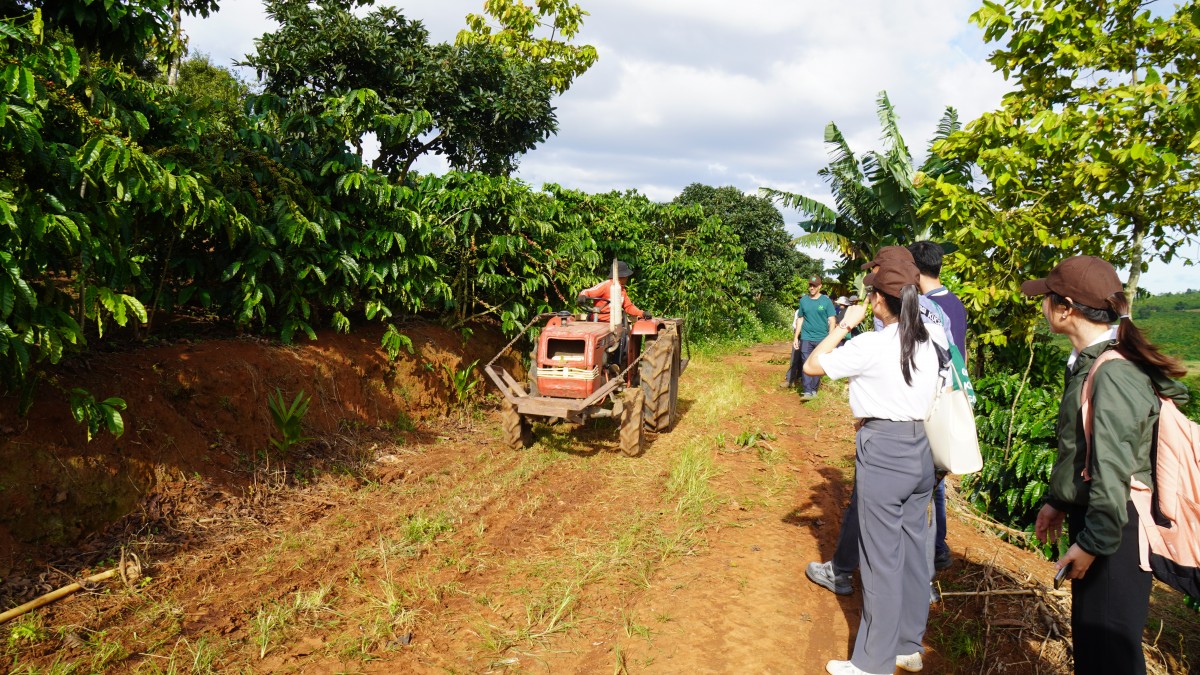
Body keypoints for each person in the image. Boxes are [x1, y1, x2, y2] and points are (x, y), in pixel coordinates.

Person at [1022, 255, 1187, 675]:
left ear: (1066, 308)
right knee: (1095, 646)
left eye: (1047, 298)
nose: (1042, 306)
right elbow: (1085, 451)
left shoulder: (1111, 372)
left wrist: (1093, 543)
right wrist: (1058, 501)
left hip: (1116, 529)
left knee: (1109, 652)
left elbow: (1113, 470)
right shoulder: (1091, 361)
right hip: (1104, 518)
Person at [803, 257, 946, 675]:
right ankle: (907, 646)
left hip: (884, 450)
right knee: (913, 551)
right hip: (922, 448)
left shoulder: (873, 343)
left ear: (879, 301)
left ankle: (871, 663)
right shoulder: (932, 335)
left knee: (880, 558)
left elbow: (814, 365)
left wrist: (845, 324)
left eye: (870, 294)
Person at [909, 240, 967, 572]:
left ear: (915, 270)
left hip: (930, 399)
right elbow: (962, 352)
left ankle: (930, 549)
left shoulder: (924, 307)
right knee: (937, 479)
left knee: (926, 481)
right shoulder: (956, 303)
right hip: (950, 395)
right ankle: (939, 545)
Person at [792, 275, 837, 400]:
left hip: (821, 338)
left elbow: (832, 320)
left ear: (820, 286)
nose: (811, 288)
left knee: (817, 364)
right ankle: (807, 391)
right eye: (810, 285)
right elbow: (800, 319)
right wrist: (796, 337)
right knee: (806, 363)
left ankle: (814, 390)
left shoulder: (826, 301)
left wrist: (830, 339)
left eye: (814, 286)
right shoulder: (804, 301)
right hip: (806, 337)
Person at [576, 260, 650, 323]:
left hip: (616, 324)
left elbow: (628, 307)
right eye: (626, 276)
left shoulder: (622, 290)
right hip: (598, 322)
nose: (627, 277)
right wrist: (582, 296)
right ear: (622, 276)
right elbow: (587, 291)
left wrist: (642, 313)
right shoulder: (606, 285)